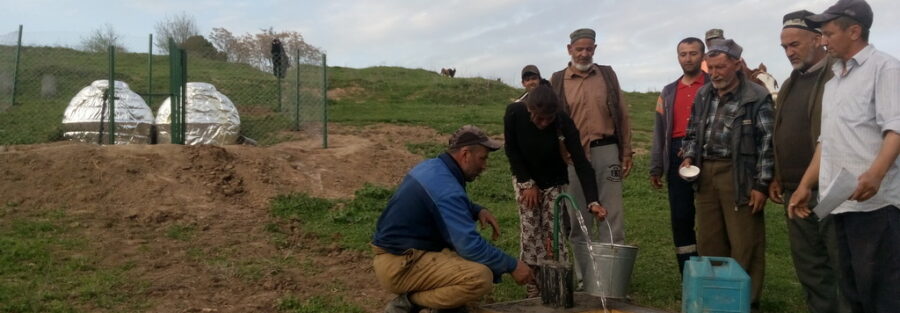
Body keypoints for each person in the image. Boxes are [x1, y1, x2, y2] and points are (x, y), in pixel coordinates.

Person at [790, 0, 900, 311]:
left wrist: (876, 174)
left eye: (828, 33)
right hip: (839, 204)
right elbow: (827, 142)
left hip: (876, 207)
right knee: (852, 293)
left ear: (854, 31)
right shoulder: (835, 80)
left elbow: (896, 129)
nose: (823, 41)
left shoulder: (886, 68)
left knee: (882, 295)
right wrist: (805, 185)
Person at [372, 125, 533, 313]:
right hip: (401, 265)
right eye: (482, 158)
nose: (484, 166)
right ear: (465, 154)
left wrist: (476, 210)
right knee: (479, 277)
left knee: (467, 263)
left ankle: (449, 308)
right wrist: (512, 265)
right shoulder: (447, 189)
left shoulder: (433, 167)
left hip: (403, 254)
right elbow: (469, 246)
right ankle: (409, 303)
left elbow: (436, 203)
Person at [680, 38, 774, 310]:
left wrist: (761, 184)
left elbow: (767, 143)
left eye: (722, 67)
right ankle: (715, 299)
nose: (716, 73)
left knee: (745, 241)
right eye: (712, 67)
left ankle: (747, 301)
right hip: (705, 173)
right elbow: (691, 131)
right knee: (709, 240)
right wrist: (687, 154)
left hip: (740, 175)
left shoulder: (756, 96)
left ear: (737, 64)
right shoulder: (703, 94)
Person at [771, 10, 849, 313]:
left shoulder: (837, 76)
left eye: (795, 45)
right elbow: (781, 131)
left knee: (840, 261)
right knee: (809, 265)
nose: (790, 52)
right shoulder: (790, 84)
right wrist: (778, 174)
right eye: (785, 47)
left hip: (832, 187)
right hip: (795, 190)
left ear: (818, 39)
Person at [504, 81, 608, 298]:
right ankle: (533, 284)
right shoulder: (515, 112)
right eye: (538, 118)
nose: (543, 123)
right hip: (525, 178)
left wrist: (593, 201)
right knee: (531, 229)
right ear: (529, 109)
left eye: (547, 119)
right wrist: (527, 183)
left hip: (554, 180)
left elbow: (581, 162)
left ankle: (554, 283)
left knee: (554, 232)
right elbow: (512, 150)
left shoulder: (563, 122)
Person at [549, 28, 634, 289]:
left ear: (595, 49)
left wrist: (626, 151)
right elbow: (551, 120)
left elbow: (621, 114)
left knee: (612, 216)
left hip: (607, 151)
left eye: (589, 49)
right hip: (573, 158)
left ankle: (611, 279)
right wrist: (559, 150)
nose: (584, 54)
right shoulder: (557, 80)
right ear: (569, 50)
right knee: (578, 219)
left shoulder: (607, 75)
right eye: (579, 49)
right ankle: (586, 279)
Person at [650, 37, 708, 275]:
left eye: (693, 53)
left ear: (702, 56)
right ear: (678, 57)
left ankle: (712, 269)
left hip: (707, 153)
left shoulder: (713, 84)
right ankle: (688, 273)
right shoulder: (668, 91)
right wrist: (656, 166)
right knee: (681, 216)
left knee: (708, 215)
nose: (688, 58)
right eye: (683, 54)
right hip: (675, 152)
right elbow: (658, 129)